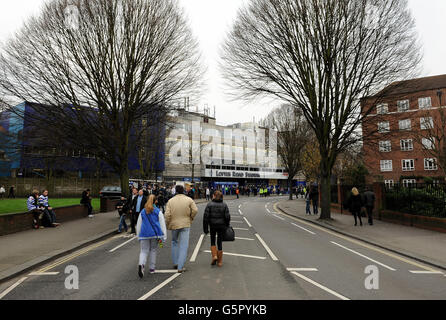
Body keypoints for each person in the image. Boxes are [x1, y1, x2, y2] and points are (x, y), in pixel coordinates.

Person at [165, 185, 198, 273]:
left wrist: (168, 224)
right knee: (183, 245)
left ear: (175, 191)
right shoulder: (189, 200)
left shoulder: (170, 201)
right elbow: (195, 210)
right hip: (185, 223)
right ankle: (180, 266)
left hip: (174, 224)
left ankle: (175, 262)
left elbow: (167, 215)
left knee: (174, 242)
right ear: (183, 191)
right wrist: (191, 218)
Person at [136, 194, 167, 277]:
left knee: (143, 251)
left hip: (144, 234)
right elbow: (162, 225)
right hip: (155, 235)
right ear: (155, 201)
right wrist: (164, 237)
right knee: (153, 250)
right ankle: (152, 268)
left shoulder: (142, 212)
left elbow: (138, 225)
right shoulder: (158, 211)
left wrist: (138, 235)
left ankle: (141, 264)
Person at [203, 190, 230, 267]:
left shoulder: (209, 204)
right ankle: (220, 262)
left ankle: (214, 256)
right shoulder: (224, 205)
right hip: (221, 226)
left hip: (212, 225)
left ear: (214, 196)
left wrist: (205, 228)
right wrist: (227, 225)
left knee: (212, 240)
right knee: (219, 241)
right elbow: (227, 217)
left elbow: (205, 217)